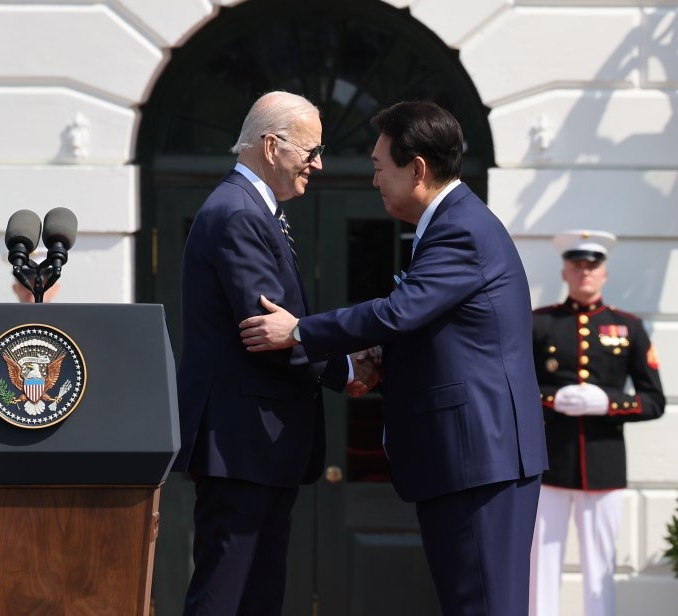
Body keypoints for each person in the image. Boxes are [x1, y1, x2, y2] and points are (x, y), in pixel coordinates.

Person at [239, 100, 548, 615]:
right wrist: (381, 355)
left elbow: (401, 310)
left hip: (480, 460)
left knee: (485, 605)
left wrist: (298, 331)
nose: (375, 180)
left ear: (418, 169)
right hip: (469, 459)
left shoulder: (461, 230)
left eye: (380, 167)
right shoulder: (449, 225)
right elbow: (432, 323)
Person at [173, 90, 377, 616]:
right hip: (242, 442)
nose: (319, 163)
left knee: (257, 593)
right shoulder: (238, 213)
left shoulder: (252, 210)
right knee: (227, 593)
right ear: (271, 146)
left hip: (257, 443)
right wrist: (348, 367)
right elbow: (267, 332)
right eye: (310, 151)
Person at [528, 230, 665, 616]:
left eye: (592, 265)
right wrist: (553, 399)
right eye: (577, 265)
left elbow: (654, 400)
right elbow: (514, 388)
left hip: (603, 464)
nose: (584, 272)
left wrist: (609, 402)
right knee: (542, 563)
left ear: (604, 273)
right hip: (549, 460)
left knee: (601, 568)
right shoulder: (540, 324)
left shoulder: (629, 327)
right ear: (564, 271)